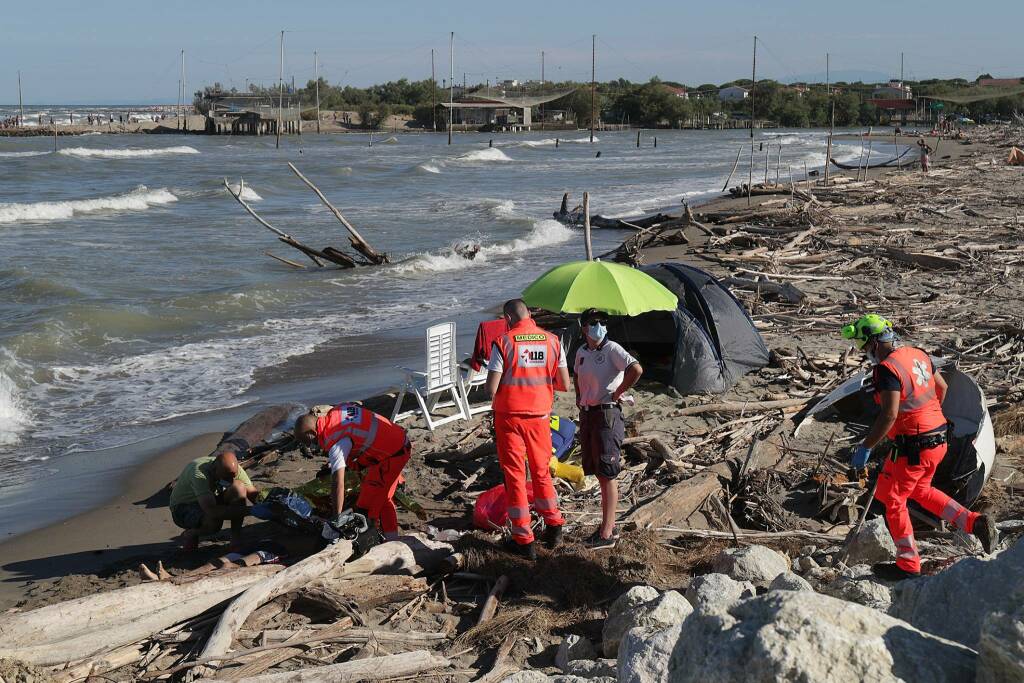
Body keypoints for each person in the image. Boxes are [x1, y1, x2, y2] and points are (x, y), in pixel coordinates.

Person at [841, 314, 997, 580]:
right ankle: (975, 522)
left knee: (893, 498)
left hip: (914, 446)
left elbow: (888, 414)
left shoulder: (887, 370)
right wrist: (928, 415)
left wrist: (866, 448)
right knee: (919, 490)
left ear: (876, 342)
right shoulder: (918, 354)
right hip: (938, 438)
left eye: (865, 347)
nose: (865, 353)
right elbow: (942, 388)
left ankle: (908, 564)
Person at [486, 299, 571, 559]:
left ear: (508, 319)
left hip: (510, 418)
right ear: (530, 314)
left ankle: (523, 540)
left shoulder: (503, 342)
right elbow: (564, 384)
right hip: (540, 416)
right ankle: (554, 526)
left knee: (515, 476)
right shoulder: (553, 341)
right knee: (542, 471)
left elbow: (491, 389)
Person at [573, 309, 643, 549]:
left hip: (607, 413)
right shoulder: (582, 351)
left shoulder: (612, 348)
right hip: (588, 414)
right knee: (598, 471)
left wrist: (619, 391)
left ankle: (607, 532)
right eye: (594, 323)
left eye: (603, 322)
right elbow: (576, 374)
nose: (599, 326)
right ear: (584, 328)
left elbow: (636, 369)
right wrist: (579, 395)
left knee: (608, 472)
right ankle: (606, 527)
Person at [294, 403, 411, 540]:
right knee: (373, 498)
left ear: (312, 433)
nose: (311, 446)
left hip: (394, 454)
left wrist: (336, 517)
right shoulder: (336, 412)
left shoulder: (337, 442)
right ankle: (389, 536)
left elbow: (338, 484)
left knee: (374, 502)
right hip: (393, 440)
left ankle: (389, 540)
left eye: (308, 442)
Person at [169, 449, 258, 551]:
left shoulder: (232, 470)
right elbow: (212, 510)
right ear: (214, 470)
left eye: (232, 477)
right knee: (214, 524)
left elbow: (252, 493)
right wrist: (252, 511)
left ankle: (236, 539)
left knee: (238, 487)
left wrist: (269, 507)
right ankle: (191, 533)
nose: (230, 480)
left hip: (208, 499)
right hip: (183, 508)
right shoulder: (199, 473)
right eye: (226, 477)